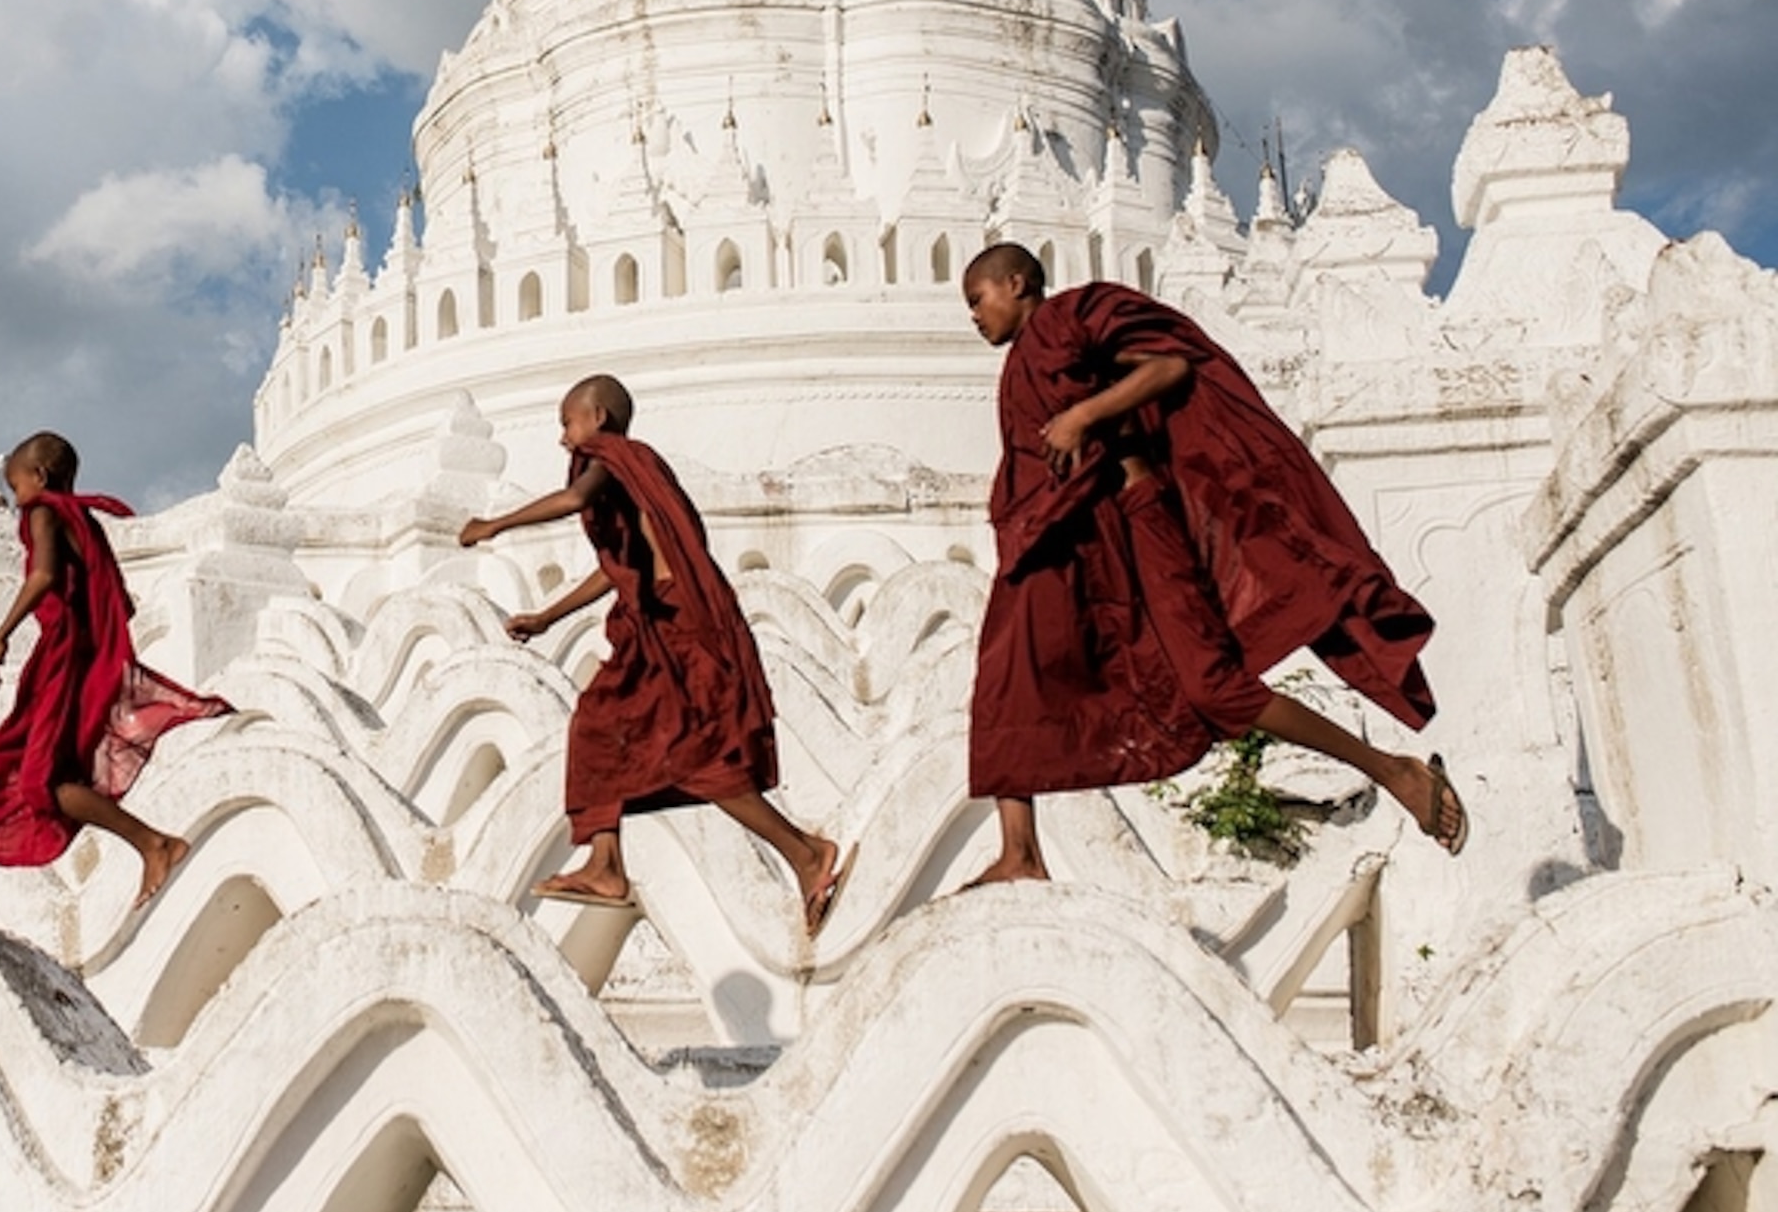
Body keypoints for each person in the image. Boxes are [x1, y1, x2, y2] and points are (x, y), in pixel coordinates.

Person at [958, 242, 1466, 884]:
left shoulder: (1074, 317)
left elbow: (1171, 367)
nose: (973, 317)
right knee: (1008, 674)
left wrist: (1086, 414)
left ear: (1018, 282)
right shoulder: (1020, 368)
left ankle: (1393, 770)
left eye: (978, 300)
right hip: (1066, 542)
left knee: (1215, 690)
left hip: (1138, 522)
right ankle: (1021, 854)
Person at [460, 376, 851, 933]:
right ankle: (606, 863)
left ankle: (806, 854)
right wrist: (548, 617)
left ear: (599, 419)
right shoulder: (628, 475)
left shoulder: (619, 456)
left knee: (698, 759)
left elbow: (574, 499)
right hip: (656, 627)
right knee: (601, 726)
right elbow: (618, 569)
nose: (564, 439)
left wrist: (494, 525)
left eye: (567, 423)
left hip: (682, 624)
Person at [0, 432, 231, 913]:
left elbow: (42, 575)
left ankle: (153, 844)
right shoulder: (82, 521)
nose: (16, 497)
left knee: (40, 784)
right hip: (67, 656)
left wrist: (2, 632)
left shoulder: (44, 511)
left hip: (64, 659)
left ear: (39, 478)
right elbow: (117, 600)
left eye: (15, 485)